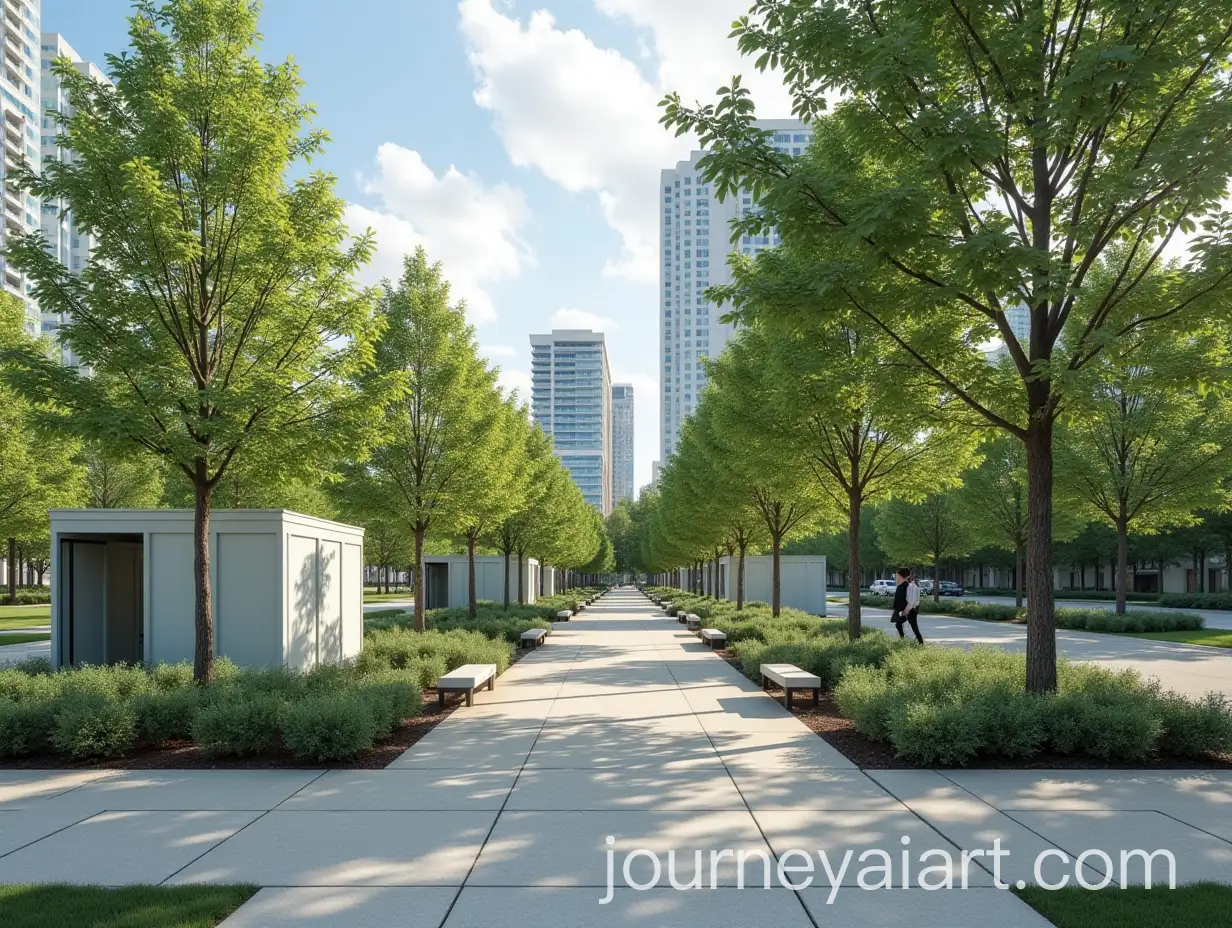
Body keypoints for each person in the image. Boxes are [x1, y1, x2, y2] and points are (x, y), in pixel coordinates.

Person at [891, 567, 924, 644]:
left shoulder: (910, 586)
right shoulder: (900, 586)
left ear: (901, 576)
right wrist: (896, 610)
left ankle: (921, 643)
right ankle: (903, 639)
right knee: (898, 624)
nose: (896, 578)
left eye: (897, 576)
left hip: (910, 610)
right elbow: (898, 600)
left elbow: (913, 600)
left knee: (914, 627)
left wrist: (907, 609)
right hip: (903, 610)